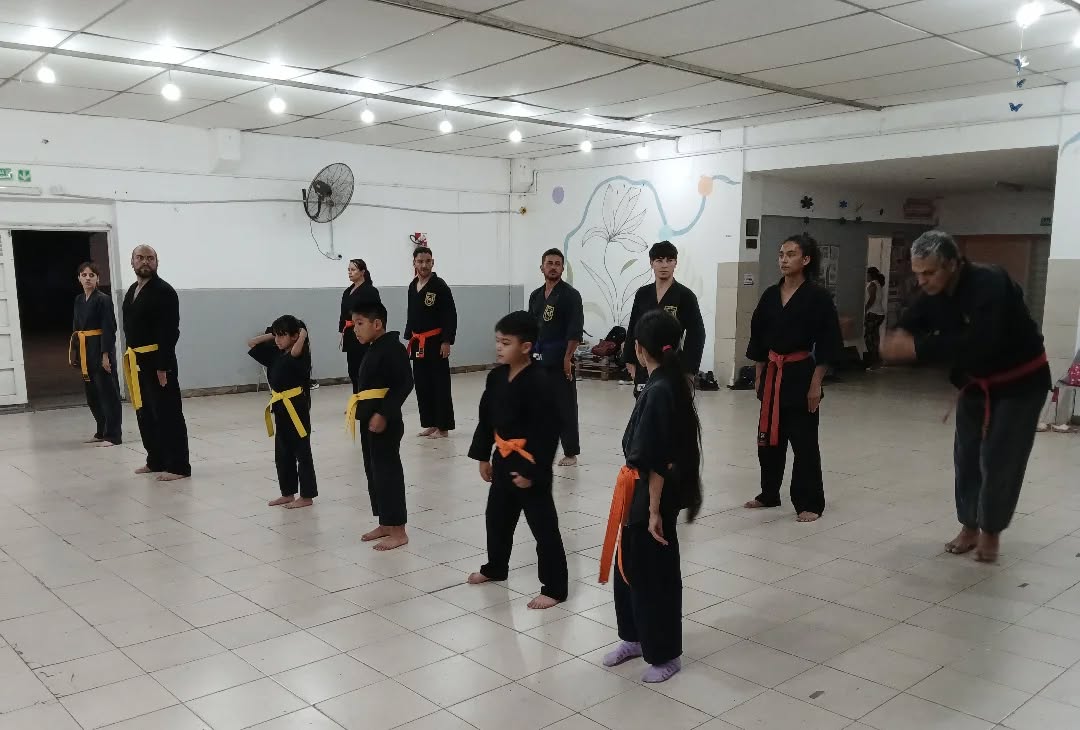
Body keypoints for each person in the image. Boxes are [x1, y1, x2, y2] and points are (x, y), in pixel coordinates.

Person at [882, 231, 1050, 563]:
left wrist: (917, 348)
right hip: (974, 383)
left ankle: (991, 530)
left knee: (1001, 458)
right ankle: (969, 526)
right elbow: (913, 319)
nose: (922, 280)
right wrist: (900, 335)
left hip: (1020, 384)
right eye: (917, 273)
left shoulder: (991, 283)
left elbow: (980, 342)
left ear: (953, 263)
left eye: (929, 272)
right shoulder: (933, 292)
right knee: (967, 456)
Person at [600, 309, 703, 683]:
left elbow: (659, 458)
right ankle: (633, 636)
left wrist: (655, 510)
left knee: (654, 574)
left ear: (640, 350)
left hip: (652, 493)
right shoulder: (663, 382)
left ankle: (665, 653)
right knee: (628, 565)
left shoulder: (662, 389)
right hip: (639, 490)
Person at [467, 311, 568, 609]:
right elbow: (486, 420)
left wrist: (532, 471)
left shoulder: (540, 381)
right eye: (497, 341)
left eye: (506, 342)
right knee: (496, 520)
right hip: (502, 460)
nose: (499, 347)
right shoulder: (496, 377)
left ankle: (555, 587)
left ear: (526, 347)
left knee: (543, 529)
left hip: (530, 465)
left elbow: (548, 431)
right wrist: (482, 456)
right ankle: (496, 567)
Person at [744, 234, 842, 522]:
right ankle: (769, 493)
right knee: (768, 438)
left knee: (804, 442)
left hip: (801, 374)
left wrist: (816, 384)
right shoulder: (770, 296)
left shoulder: (818, 297)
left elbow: (828, 343)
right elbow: (758, 338)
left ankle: (809, 502)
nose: (784, 260)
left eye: (790, 254)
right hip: (772, 374)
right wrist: (759, 376)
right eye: (781, 254)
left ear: (806, 259)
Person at [347, 300, 414, 551]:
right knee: (373, 471)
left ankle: (399, 530)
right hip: (370, 419)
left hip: (386, 421)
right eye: (354, 324)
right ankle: (385, 522)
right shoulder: (374, 347)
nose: (356, 329)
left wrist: (384, 414)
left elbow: (404, 383)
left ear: (377, 324)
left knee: (388, 473)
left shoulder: (393, 348)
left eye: (360, 323)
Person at [122, 245, 191, 481]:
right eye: (140, 258)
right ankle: (156, 460)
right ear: (132, 262)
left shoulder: (164, 291)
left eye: (150, 258)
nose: (145, 262)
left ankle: (178, 466)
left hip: (158, 360)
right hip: (137, 360)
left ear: (157, 262)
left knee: (168, 412)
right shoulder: (132, 291)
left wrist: (163, 366)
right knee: (146, 413)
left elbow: (170, 331)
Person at [247, 316, 317, 509]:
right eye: (276, 336)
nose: (277, 340)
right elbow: (252, 343)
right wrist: (273, 334)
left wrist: (302, 335)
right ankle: (287, 492)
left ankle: (307, 495)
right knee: (283, 452)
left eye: (282, 335)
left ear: (295, 337)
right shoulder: (275, 353)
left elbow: (295, 351)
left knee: (302, 452)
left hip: (296, 407)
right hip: (280, 407)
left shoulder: (301, 355)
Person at [623, 241, 706, 396]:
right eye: (659, 260)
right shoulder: (643, 294)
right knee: (643, 404)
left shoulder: (686, 296)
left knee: (669, 405)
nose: (664, 265)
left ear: (675, 263)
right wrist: (630, 360)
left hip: (673, 361)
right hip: (645, 362)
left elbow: (697, 334)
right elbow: (634, 326)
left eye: (669, 260)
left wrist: (689, 370)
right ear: (651, 263)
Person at [527, 249, 584, 466]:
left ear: (562, 268)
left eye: (557, 264)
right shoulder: (535, 295)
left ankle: (570, 452)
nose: (553, 267)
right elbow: (530, 329)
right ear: (542, 267)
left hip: (560, 357)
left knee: (565, 406)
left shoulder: (571, 295)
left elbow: (574, 330)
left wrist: (568, 358)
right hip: (537, 358)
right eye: (549, 263)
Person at [406, 246, 457, 439]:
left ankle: (443, 427)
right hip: (418, 342)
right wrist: (409, 336)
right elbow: (411, 314)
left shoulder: (440, 286)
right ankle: (430, 423)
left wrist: (446, 341)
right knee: (422, 384)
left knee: (439, 384)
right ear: (414, 263)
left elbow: (450, 315)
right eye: (420, 261)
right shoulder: (412, 286)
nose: (424, 265)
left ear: (433, 262)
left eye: (427, 261)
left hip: (436, 341)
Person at [71, 261, 122, 446]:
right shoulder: (79, 300)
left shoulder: (103, 299)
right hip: (86, 350)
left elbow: (109, 328)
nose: (87, 278)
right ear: (79, 278)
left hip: (100, 349)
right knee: (93, 395)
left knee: (108, 393)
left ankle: (113, 435)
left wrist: (105, 355)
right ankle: (101, 431)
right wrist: (77, 353)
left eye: (91, 275)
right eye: (84, 275)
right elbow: (76, 328)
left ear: (97, 279)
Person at [339, 259, 379, 392]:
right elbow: (343, 314)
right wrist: (342, 330)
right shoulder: (347, 292)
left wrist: (374, 335)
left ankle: (366, 398)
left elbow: (376, 314)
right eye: (349, 270)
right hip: (350, 334)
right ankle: (356, 397)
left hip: (365, 335)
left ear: (362, 272)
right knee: (353, 370)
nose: (350, 272)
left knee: (364, 369)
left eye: (353, 270)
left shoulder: (370, 291)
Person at [864, 266, 887, 367]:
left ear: (870, 275)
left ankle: (873, 361)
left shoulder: (872, 284)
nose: (866, 277)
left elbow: (872, 298)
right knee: (875, 337)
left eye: (867, 274)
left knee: (869, 338)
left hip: (873, 314)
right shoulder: (878, 284)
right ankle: (878, 360)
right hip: (879, 314)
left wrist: (865, 308)